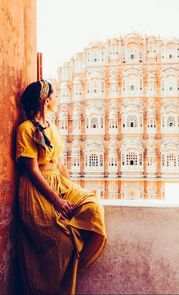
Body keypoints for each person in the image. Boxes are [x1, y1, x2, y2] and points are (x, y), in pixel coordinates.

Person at [16, 80, 107, 295]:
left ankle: (77, 265)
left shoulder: (52, 128)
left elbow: (59, 163)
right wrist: (56, 200)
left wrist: (72, 188)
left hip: (58, 180)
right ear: (46, 100)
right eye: (55, 97)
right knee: (64, 243)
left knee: (93, 207)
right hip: (37, 188)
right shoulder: (26, 129)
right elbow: (32, 170)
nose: (58, 100)